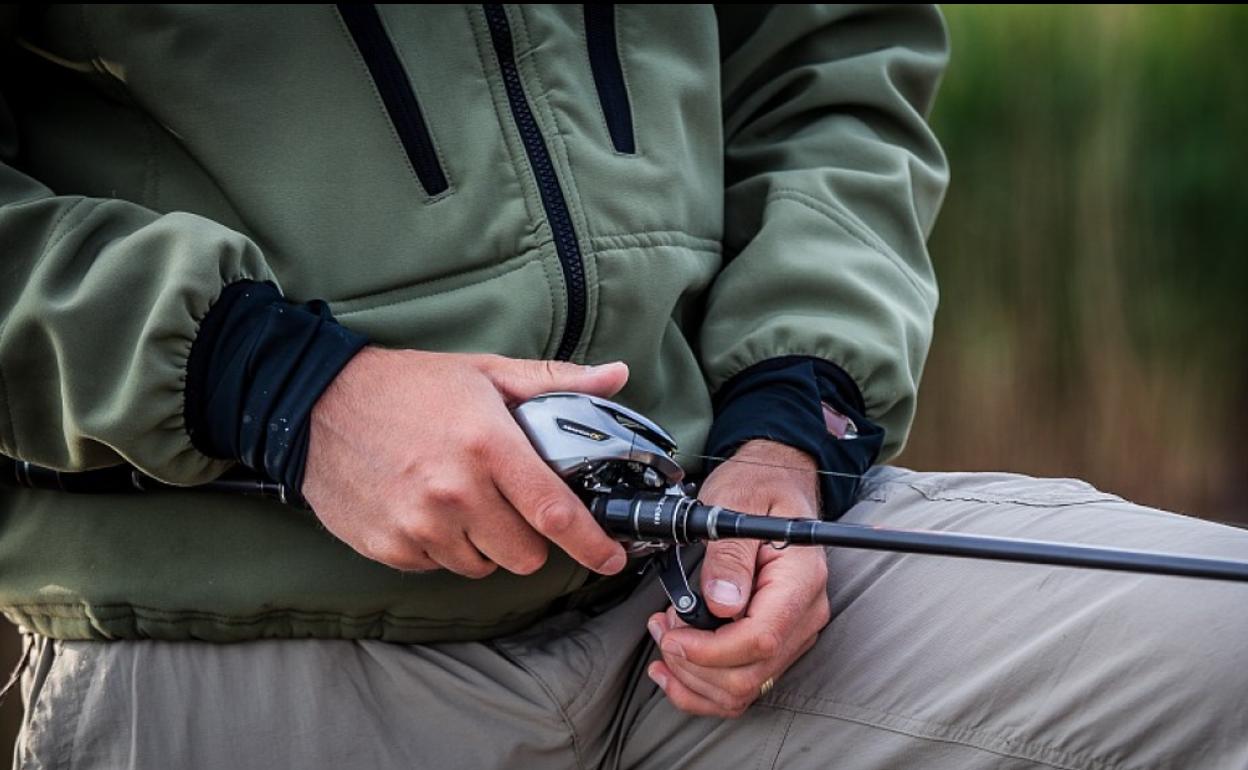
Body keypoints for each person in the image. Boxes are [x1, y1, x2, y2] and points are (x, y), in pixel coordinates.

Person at [1, 5, 1244, 769]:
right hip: (234, 647)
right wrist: (282, 386)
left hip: (710, 574)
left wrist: (788, 430)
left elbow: (832, 65)